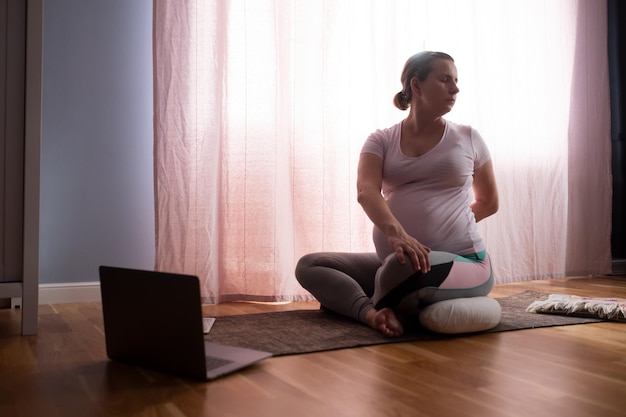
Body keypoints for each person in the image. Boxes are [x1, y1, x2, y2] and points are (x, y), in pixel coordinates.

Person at [295, 51, 499, 337]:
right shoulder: (381, 140)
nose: (455, 89)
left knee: (395, 270)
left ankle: (355, 304)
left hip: (464, 261)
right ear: (416, 86)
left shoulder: (468, 137)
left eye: (455, 81)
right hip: (395, 260)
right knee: (311, 265)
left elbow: (490, 202)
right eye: (444, 80)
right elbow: (366, 191)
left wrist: (446, 226)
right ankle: (371, 314)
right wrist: (397, 235)